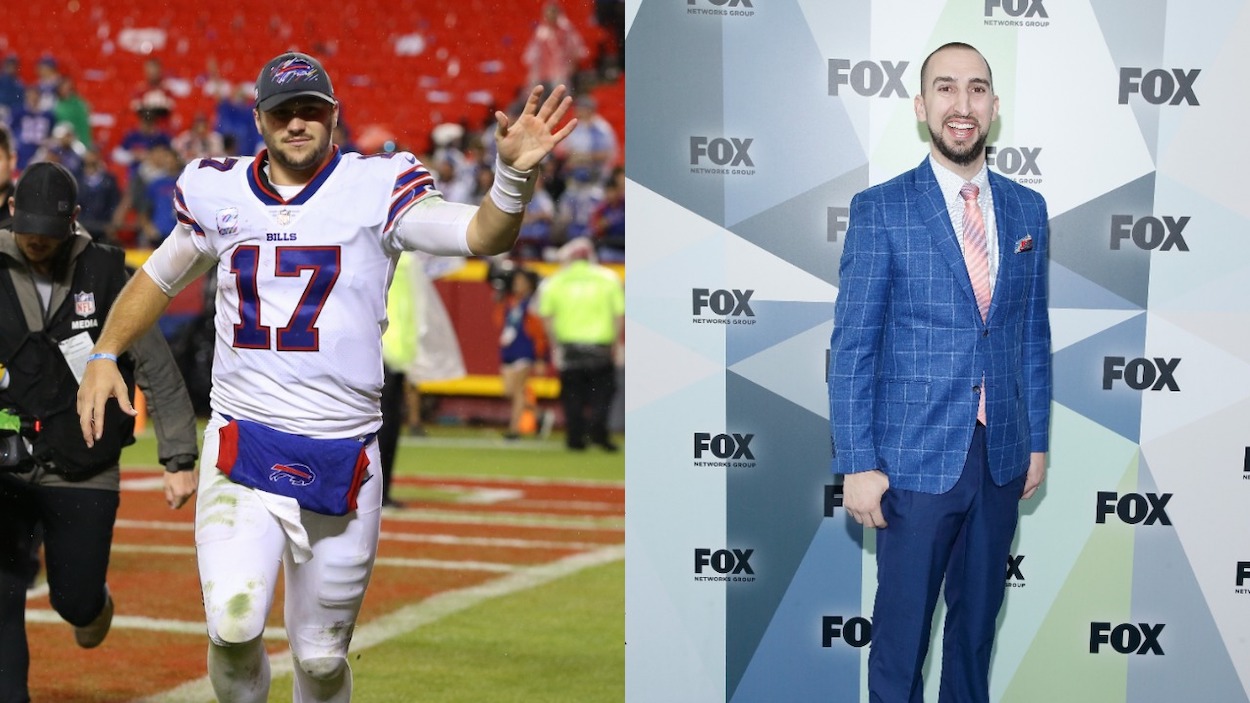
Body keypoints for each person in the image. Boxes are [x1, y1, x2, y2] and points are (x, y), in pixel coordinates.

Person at [76, 51, 575, 702]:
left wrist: (510, 179)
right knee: (232, 624)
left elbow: (481, 235)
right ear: (258, 119)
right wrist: (103, 353)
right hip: (243, 441)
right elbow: (159, 276)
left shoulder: (377, 186)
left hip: (343, 450)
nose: (298, 122)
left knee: (317, 656)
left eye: (311, 108)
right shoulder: (218, 190)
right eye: (284, 111)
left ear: (334, 115)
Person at [827, 42, 1050, 703]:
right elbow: (854, 346)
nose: (963, 104)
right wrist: (857, 461)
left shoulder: (1026, 209)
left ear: (994, 107)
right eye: (946, 89)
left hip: (1000, 456)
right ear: (922, 107)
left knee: (975, 638)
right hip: (911, 460)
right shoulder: (882, 208)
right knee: (900, 643)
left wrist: (1035, 440)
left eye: (977, 89)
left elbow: (1029, 335)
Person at [0, 162, 199, 703]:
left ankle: (91, 604)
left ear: (75, 220)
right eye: (28, 228)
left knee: (76, 601)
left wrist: (179, 455)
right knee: (3, 594)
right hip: (5, 463)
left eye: (50, 230)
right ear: (12, 210)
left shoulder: (108, 272)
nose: (37, 240)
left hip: (83, 459)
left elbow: (155, 365)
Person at [538, 238, 623, 451]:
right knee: (602, 394)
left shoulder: (555, 281)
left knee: (573, 395)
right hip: (601, 344)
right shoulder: (609, 278)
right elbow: (619, 315)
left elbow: (547, 318)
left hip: (570, 346)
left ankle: (575, 438)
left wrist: (554, 347)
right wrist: (616, 343)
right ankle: (598, 432)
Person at [495, 267, 547, 439]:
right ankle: (540, 415)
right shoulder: (510, 302)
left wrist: (541, 357)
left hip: (524, 348)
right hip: (509, 349)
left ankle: (514, 430)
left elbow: (539, 331)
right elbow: (500, 322)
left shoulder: (532, 303)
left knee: (518, 391)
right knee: (509, 391)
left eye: (522, 282)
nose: (518, 285)